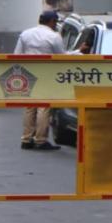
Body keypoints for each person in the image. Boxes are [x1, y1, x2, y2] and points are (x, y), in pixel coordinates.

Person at [14, 11, 67, 151]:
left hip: (27, 74)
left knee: (30, 106)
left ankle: (26, 139)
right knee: (43, 107)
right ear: (51, 22)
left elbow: (16, 55)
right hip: (46, 74)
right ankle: (40, 140)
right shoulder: (54, 37)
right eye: (55, 22)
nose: (56, 25)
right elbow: (62, 57)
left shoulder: (25, 34)